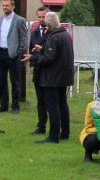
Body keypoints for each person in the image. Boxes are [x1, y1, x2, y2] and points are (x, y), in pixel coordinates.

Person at [26, 12, 74, 144]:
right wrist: (43, 49)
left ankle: (53, 136)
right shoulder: (65, 35)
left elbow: (49, 59)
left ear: (48, 24)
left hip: (53, 77)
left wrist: (33, 58)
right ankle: (65, 132)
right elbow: (57, 53)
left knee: (52, 106)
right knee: (62, 104)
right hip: (63, 76)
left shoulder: (53, 37)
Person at [0, 0, 28, 114]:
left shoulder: (19, 20)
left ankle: (15, 105)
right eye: (3, 5)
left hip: (12, 53)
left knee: (14, 81)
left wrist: (18, 51)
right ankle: (3, 104)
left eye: (7, 5)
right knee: (2, 81)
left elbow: (23, 38)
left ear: (13, 7)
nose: (4, 8)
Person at [28, 7, 49, 134]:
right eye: (39, 17)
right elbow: (32, 50)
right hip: (38, 70)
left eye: (44, 17)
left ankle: (56, 127)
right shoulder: (35, 32)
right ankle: (41, 126)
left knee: (51, 101)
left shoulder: (52, 33)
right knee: (40, 100)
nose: (41, 19)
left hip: (50, 71)